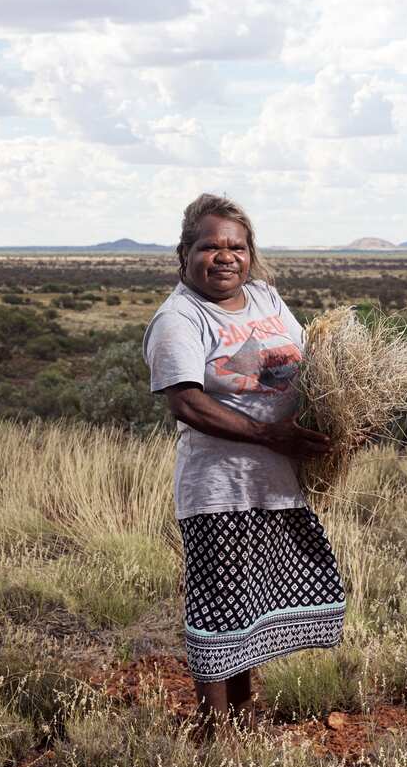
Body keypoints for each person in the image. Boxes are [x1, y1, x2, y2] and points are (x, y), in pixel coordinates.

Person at [142, 193, 346, 730]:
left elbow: (310, 366)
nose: (225, 256)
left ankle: (242, 716)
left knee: (248, 610)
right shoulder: (179, 318)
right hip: (219, 490)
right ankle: (215, 733)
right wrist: (268, 434)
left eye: (237, 245)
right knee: (219, 608)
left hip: (276, 484)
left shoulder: (265, 298)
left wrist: (343, 423)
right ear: (185, 253)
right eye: (210, 245)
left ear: (251, 254)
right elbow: (187, 401)